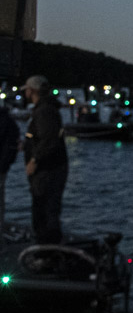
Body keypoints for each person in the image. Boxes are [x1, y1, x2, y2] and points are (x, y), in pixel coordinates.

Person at [22, 75, 68, 244]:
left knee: (45, 210)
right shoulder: (46, 109)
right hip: (50, 168)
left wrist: (34, 160)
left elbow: (49, 140)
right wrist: (26, 145)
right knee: (47, 209)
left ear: (32, 91)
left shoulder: (44, 111)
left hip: (48, 170)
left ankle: (48, 248)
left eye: (26, 90)